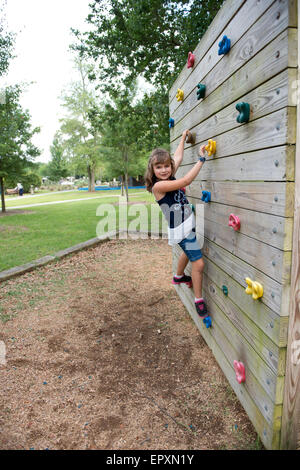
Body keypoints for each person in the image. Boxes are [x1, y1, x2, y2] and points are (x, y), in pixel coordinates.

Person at [145, 129, 210, 324]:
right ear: (152, 170)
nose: (164, 170)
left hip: (186, 223)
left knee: (188, 252)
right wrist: (201, 160)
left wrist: (182, 138)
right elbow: (186, 181)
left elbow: (178, 157)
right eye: (159, 167)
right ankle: (199, 300)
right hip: (181, 230)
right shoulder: (159, 187)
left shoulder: (169, 174)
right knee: (198, 264)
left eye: (166, 166)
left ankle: (178, 276)